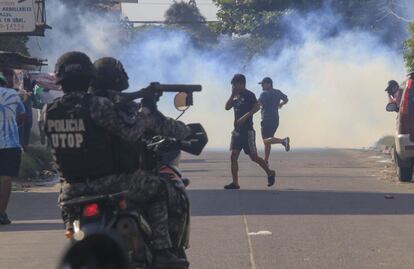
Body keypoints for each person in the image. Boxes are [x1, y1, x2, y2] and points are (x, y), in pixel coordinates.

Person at [44, 51, 190, 268]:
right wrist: (147, 107)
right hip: (112, 184)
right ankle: (162, 250)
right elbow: (130, 133)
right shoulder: (98, 105)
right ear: (88, 77)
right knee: (160, 189)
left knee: (70, 216)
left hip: (71, 190)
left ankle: (75, 244)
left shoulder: (49, 110)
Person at [90, 57, 190, 255]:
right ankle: (163, 249)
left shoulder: (80, 108)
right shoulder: (125, 108)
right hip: (119, 181)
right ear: (118, 79)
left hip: (78, 187)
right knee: (164, 191)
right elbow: (157, 126)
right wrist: (150, 107)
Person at [224, 74, 276, 189]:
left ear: (242, 84)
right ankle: (235, 183)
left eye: (235, 84)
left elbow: (257, 107)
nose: (233, 86)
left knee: (254, 157)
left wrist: (245, 117)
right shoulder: (235, 95)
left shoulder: (249, 95)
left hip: (248, 132)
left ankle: (270, 172)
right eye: (232, 85)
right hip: (237, 132)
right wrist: (232, 94)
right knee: (233, 156)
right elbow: (227, 107)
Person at [0, 72, 25, 225]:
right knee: (5, 178)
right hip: (10, 144)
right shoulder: (13, 94)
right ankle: (2, 213)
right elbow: (23, 114)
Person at [258, 77, 290, 164]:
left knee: (266, 140)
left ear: (269, 84)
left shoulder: (264, 94)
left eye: (263, 84)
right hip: (275, 119)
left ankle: (283, 141)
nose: (262, 86)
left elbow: (258, 104)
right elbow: (286, 99)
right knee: (268, 140)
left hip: (266, 119)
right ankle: (266, 160)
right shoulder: (278, 92)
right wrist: (281, 104)